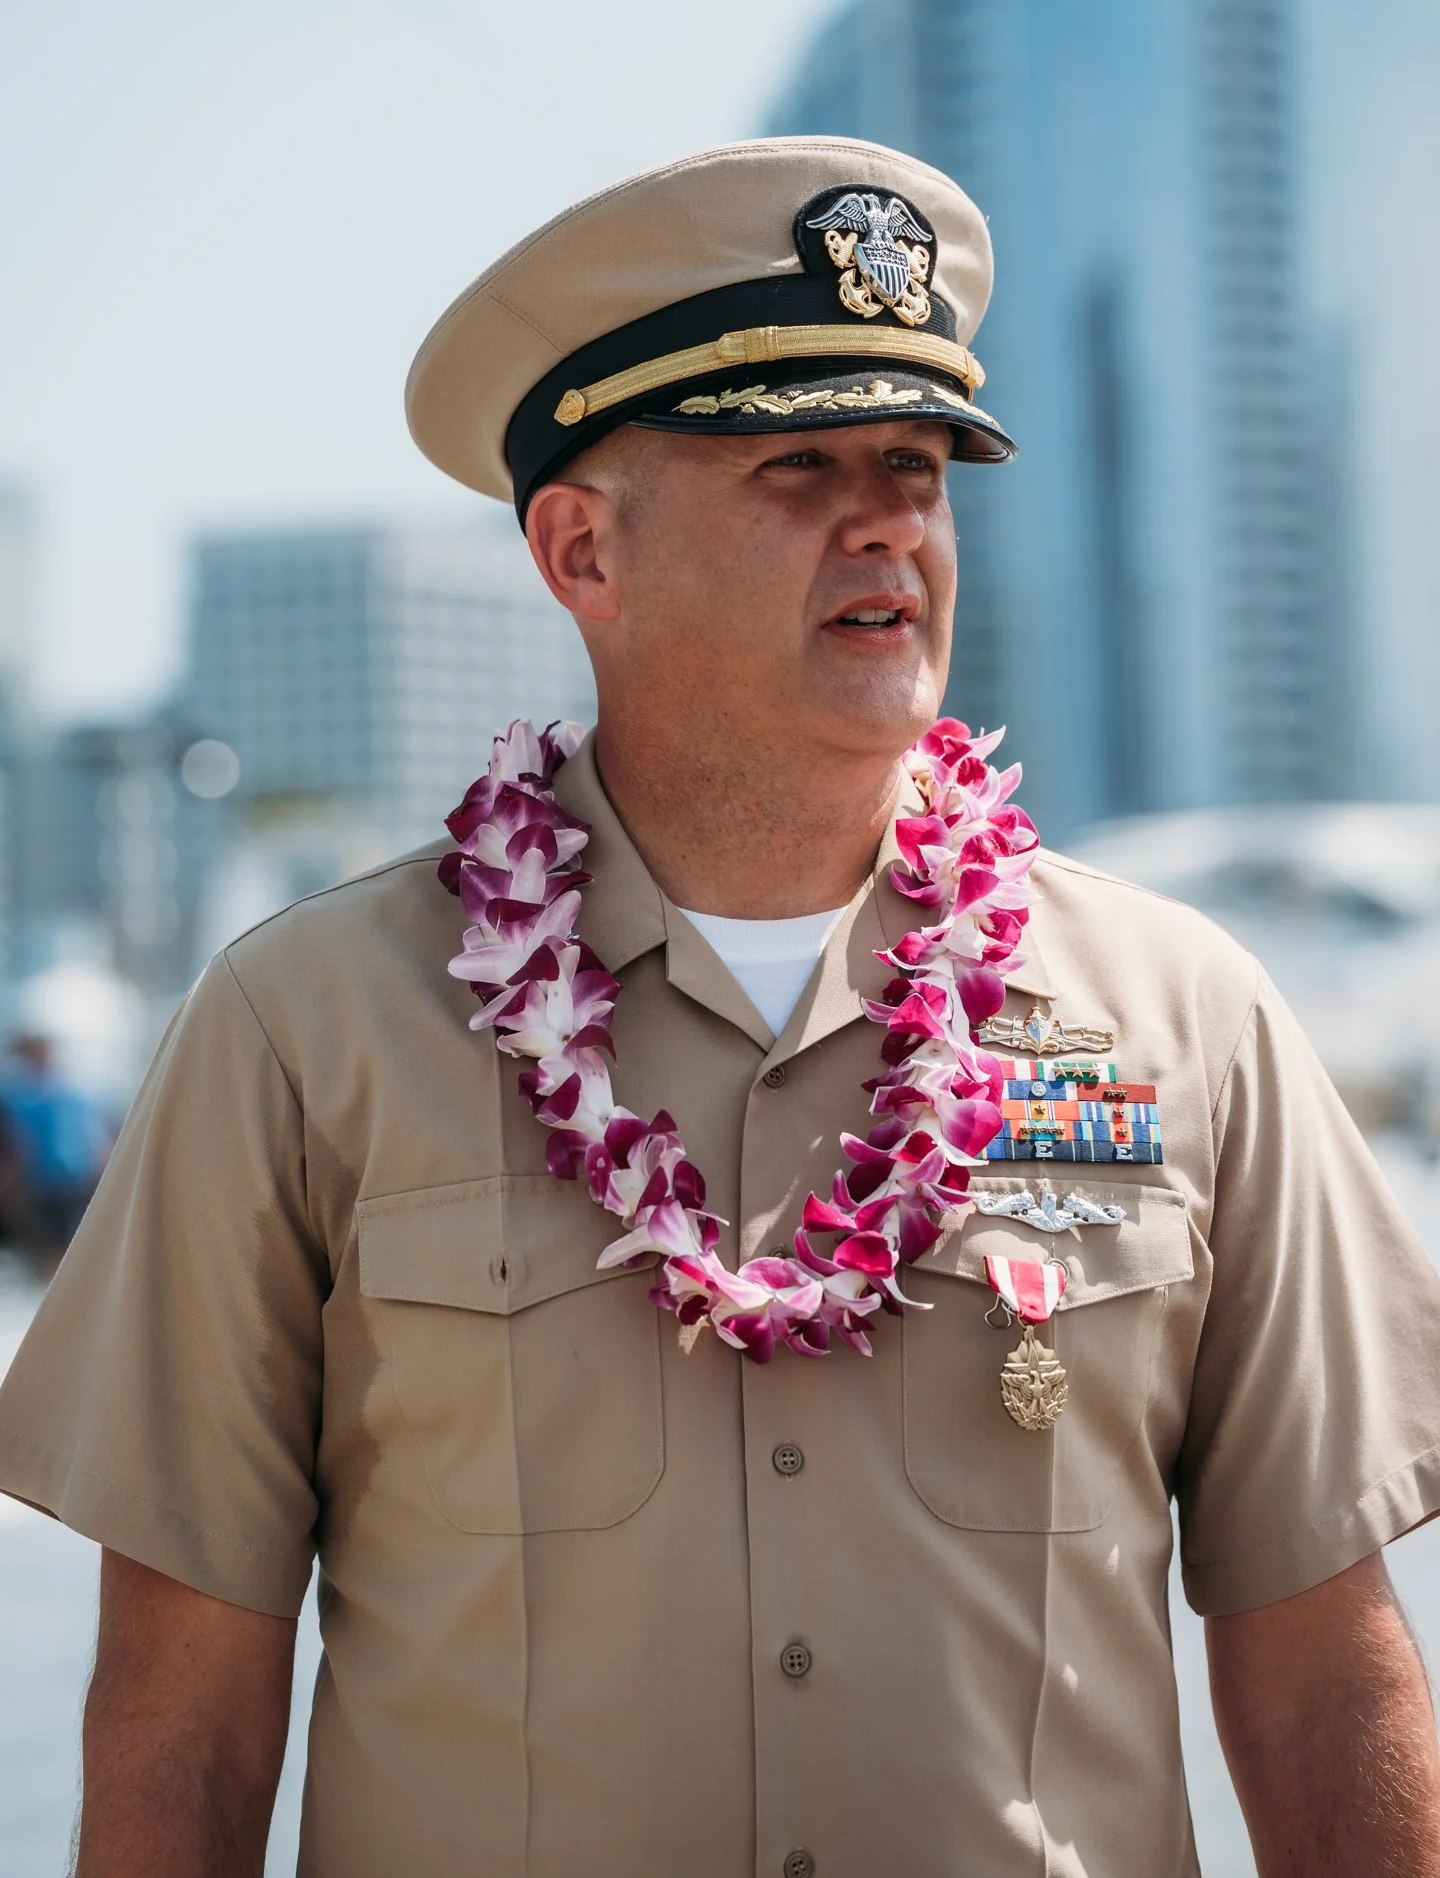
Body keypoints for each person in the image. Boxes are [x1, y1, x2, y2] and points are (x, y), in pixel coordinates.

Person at [1, 137, 1439, 1878]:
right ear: (582, 550)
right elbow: (183, 1711)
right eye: (801, 463)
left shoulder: (1186, 1017)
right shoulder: (306, 1034)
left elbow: (1320, 1674)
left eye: (918, 465)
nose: (891, 519)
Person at [0, 1032, 109, 1274]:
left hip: (68, 1174)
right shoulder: (24, 1095)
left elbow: (91, 1134)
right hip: (43, 1176)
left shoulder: (66, 1092)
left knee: (65, 1236)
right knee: (50, 1238)